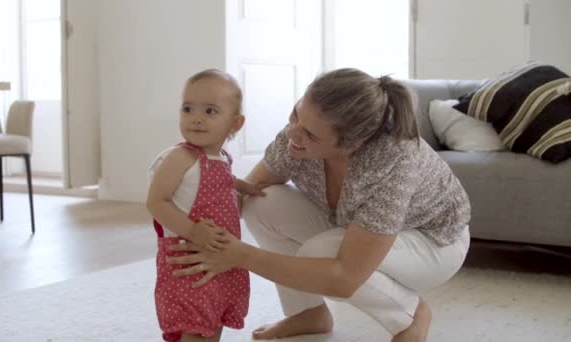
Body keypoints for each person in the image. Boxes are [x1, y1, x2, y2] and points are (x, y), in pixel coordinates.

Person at [166, 68, 472, 342]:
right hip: (352, 227)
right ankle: (308, 313)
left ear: (352, 145)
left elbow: (344, 278)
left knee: (323, 253)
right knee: (262, 203)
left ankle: (410, 315)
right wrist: (197, 233)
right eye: (297, 114)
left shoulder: (391, 162)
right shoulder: (296, 136)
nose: (293, 134)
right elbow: (250, 189)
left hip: (434, 243)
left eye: (309, 133)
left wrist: (240, 256)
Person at [146, 69, 266, 342]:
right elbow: (156, 201)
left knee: (214, 319)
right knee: (195, 322)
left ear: (235, 124)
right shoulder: (180, 157)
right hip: (190, 257)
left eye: (210, 111)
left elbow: (220, 179)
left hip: (221, 254)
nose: (196, 118)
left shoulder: (221, 156)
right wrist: (193, 231)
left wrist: (243, 186)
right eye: (187, 109)